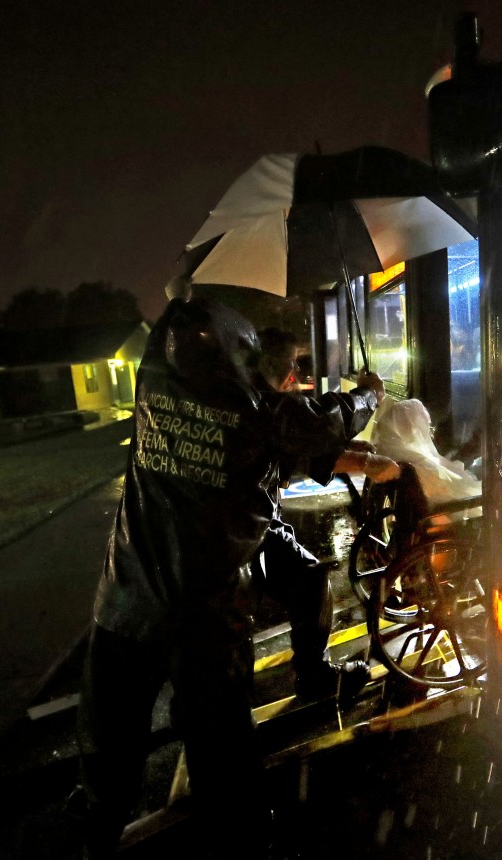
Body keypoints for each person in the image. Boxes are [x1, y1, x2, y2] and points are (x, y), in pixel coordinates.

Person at [74, 293, 397, 858]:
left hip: (130, 590)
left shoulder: (156, 386)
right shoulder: (256, 413)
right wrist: (368, 394)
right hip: (207, 601)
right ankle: (241, 834)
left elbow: (300, 438)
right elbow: (316, 429)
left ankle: (96, 828)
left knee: (111, 742)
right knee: (221, 752)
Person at [250, 327, 397, 701]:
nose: (296, 380)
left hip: (231, 525)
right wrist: (370, 395)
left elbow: (299, 450)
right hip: (242, 530)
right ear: (285, 374)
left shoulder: (232, 392)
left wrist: (358, 455)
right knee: (311, 580)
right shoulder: (258, 400)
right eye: (294, 370)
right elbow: (315, 428)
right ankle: (313, 678)